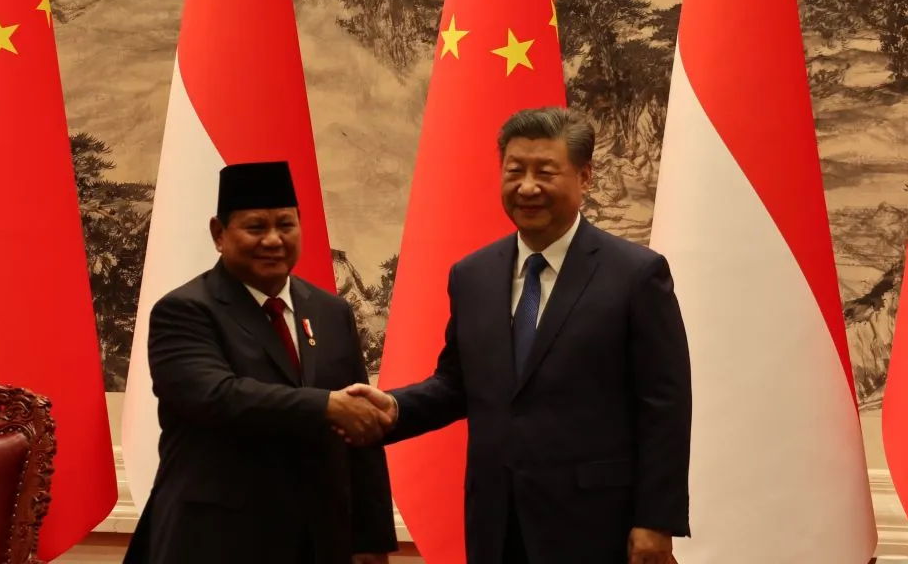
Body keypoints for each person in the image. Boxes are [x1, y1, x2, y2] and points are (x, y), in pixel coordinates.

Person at [349, 107, 692, 564]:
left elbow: (664, 405)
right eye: (515, 171)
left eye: (545, 172)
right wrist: (393, 408)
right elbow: (456, 384)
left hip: (596, 524)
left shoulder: (635, 275)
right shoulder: (472, 275)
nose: (527, 187)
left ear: (585, 177)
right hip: (497, 522)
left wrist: (656, 520)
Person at [123, 161, 397, 564]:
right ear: (219, 234)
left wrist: (372, 540)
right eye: (255, 227)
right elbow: (217, 397)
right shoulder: (184, 310)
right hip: (215, 541)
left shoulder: (331, 311)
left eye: (285, 225)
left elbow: (361, 431)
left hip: (319, 541)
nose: (273, 239)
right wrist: (326, 405)